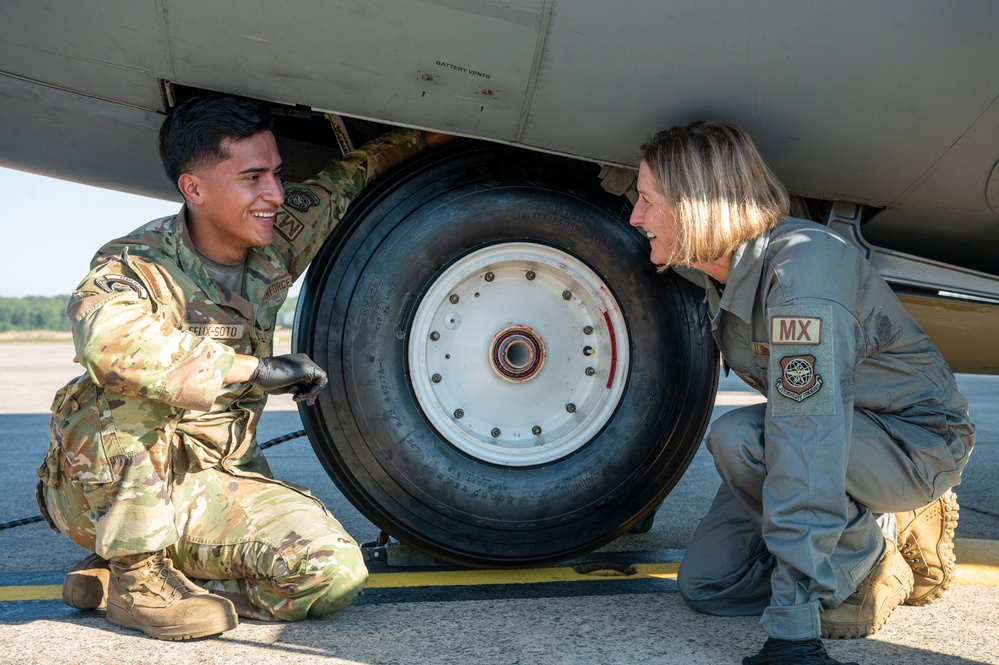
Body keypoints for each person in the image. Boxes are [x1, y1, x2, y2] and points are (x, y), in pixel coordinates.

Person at [35, 94, 451, 640]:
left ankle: (147, 573)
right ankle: (138, 576)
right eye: (253, 177)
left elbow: (350, 176)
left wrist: (432, 138)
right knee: (124, 388)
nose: (275, 195)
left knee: (333, 575)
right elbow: (109, 344)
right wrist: (252, 369)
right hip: (105, 490)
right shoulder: (136, 264)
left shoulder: (276, 239)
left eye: (275, 174)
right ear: (194, 189)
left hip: (216, 476)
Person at [629, 120, 974, 665]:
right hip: (835, 430)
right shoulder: (712, 273)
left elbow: (806, 437)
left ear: (694, 207)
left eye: (647, 200)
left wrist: (793, 631)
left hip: (914, 441)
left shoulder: (803, 281)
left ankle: (873, 552)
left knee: (741, 438)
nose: (635, 217)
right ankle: (870, 532)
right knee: (710, 586)